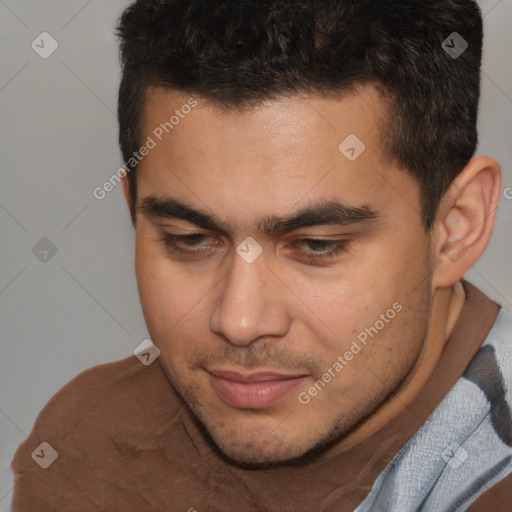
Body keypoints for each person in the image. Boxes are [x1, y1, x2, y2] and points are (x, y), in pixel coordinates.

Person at [11, 0, 512, 510]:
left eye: (316, 245)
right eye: (190, 238)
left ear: (455, 228)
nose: (240, 321)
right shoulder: (92, 445)